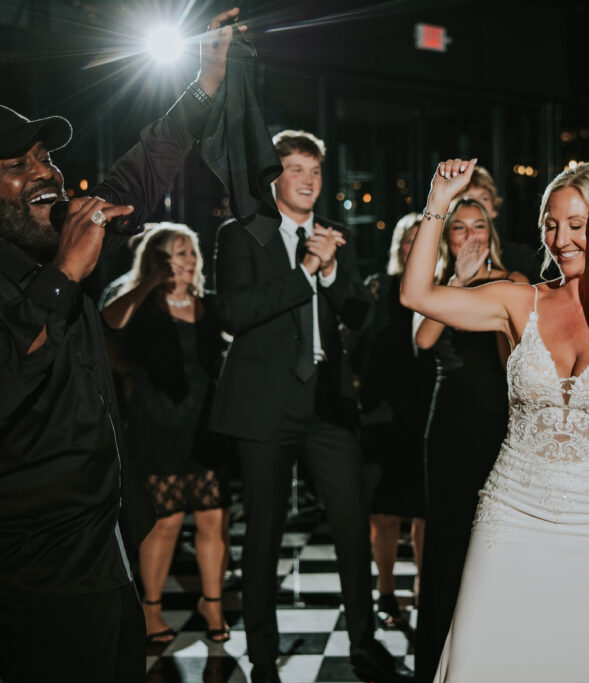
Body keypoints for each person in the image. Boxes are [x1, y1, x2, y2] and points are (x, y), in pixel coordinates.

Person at [0, 11, 242, 682]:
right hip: (29, 563)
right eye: (16, 164)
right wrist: (62, 279)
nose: (43, 170)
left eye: (44, 155)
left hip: (97, 539)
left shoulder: (60, 241)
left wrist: (206, 80)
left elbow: (140, 170)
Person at [401, 158, 589, 682]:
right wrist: (437, 202)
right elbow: (418, 297)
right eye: (551, 224)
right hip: (510, 512)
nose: (561, 238)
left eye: (576, 224)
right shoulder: (518, 301)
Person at [211, 130, 407, 683]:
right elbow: (233, 312)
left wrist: (330, 272)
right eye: (296, 168)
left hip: (327, 403)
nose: (308, 180)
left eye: (315, 171)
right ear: (274, 176)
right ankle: (264, 657)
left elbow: (361, 315)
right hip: (264, 405)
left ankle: (365, 642)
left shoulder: (331, 237)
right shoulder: (241, 235)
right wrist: (302, 275)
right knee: (265, 533)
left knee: (351, 525)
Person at [411, 196, 527, 682]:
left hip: (500, 421)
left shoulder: (515, 284)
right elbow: (422, 340)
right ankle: (440, 656)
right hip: (450, 424)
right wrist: (457, 281)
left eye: (478, 226)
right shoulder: (434, 285)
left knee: (499, 538)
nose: (471, 236)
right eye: (459, 229)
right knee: (448, 535)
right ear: (448, 236)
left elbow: (516, 365)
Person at [102, 223, 232, 646]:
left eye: (192, 253)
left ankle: (211, 603)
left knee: (215, 518)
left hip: (206, 426)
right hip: (157, 427)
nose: (189, 262)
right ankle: (150, 609)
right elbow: (109, 324)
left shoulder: (209, 307)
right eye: (179, 254)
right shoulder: (139, 304)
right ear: (157, 260)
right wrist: (149, 283)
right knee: (166, 523)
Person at [354, 212, 431, 627]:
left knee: (424, 512)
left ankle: (423, 588)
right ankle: (385, 590)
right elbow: (361, 347)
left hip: (426, 411)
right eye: (407, 242)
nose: (414, 248)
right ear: (398, 249)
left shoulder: (442, 289)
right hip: (382, 413)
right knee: (383, 513)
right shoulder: (379, 289)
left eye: (422, 240)